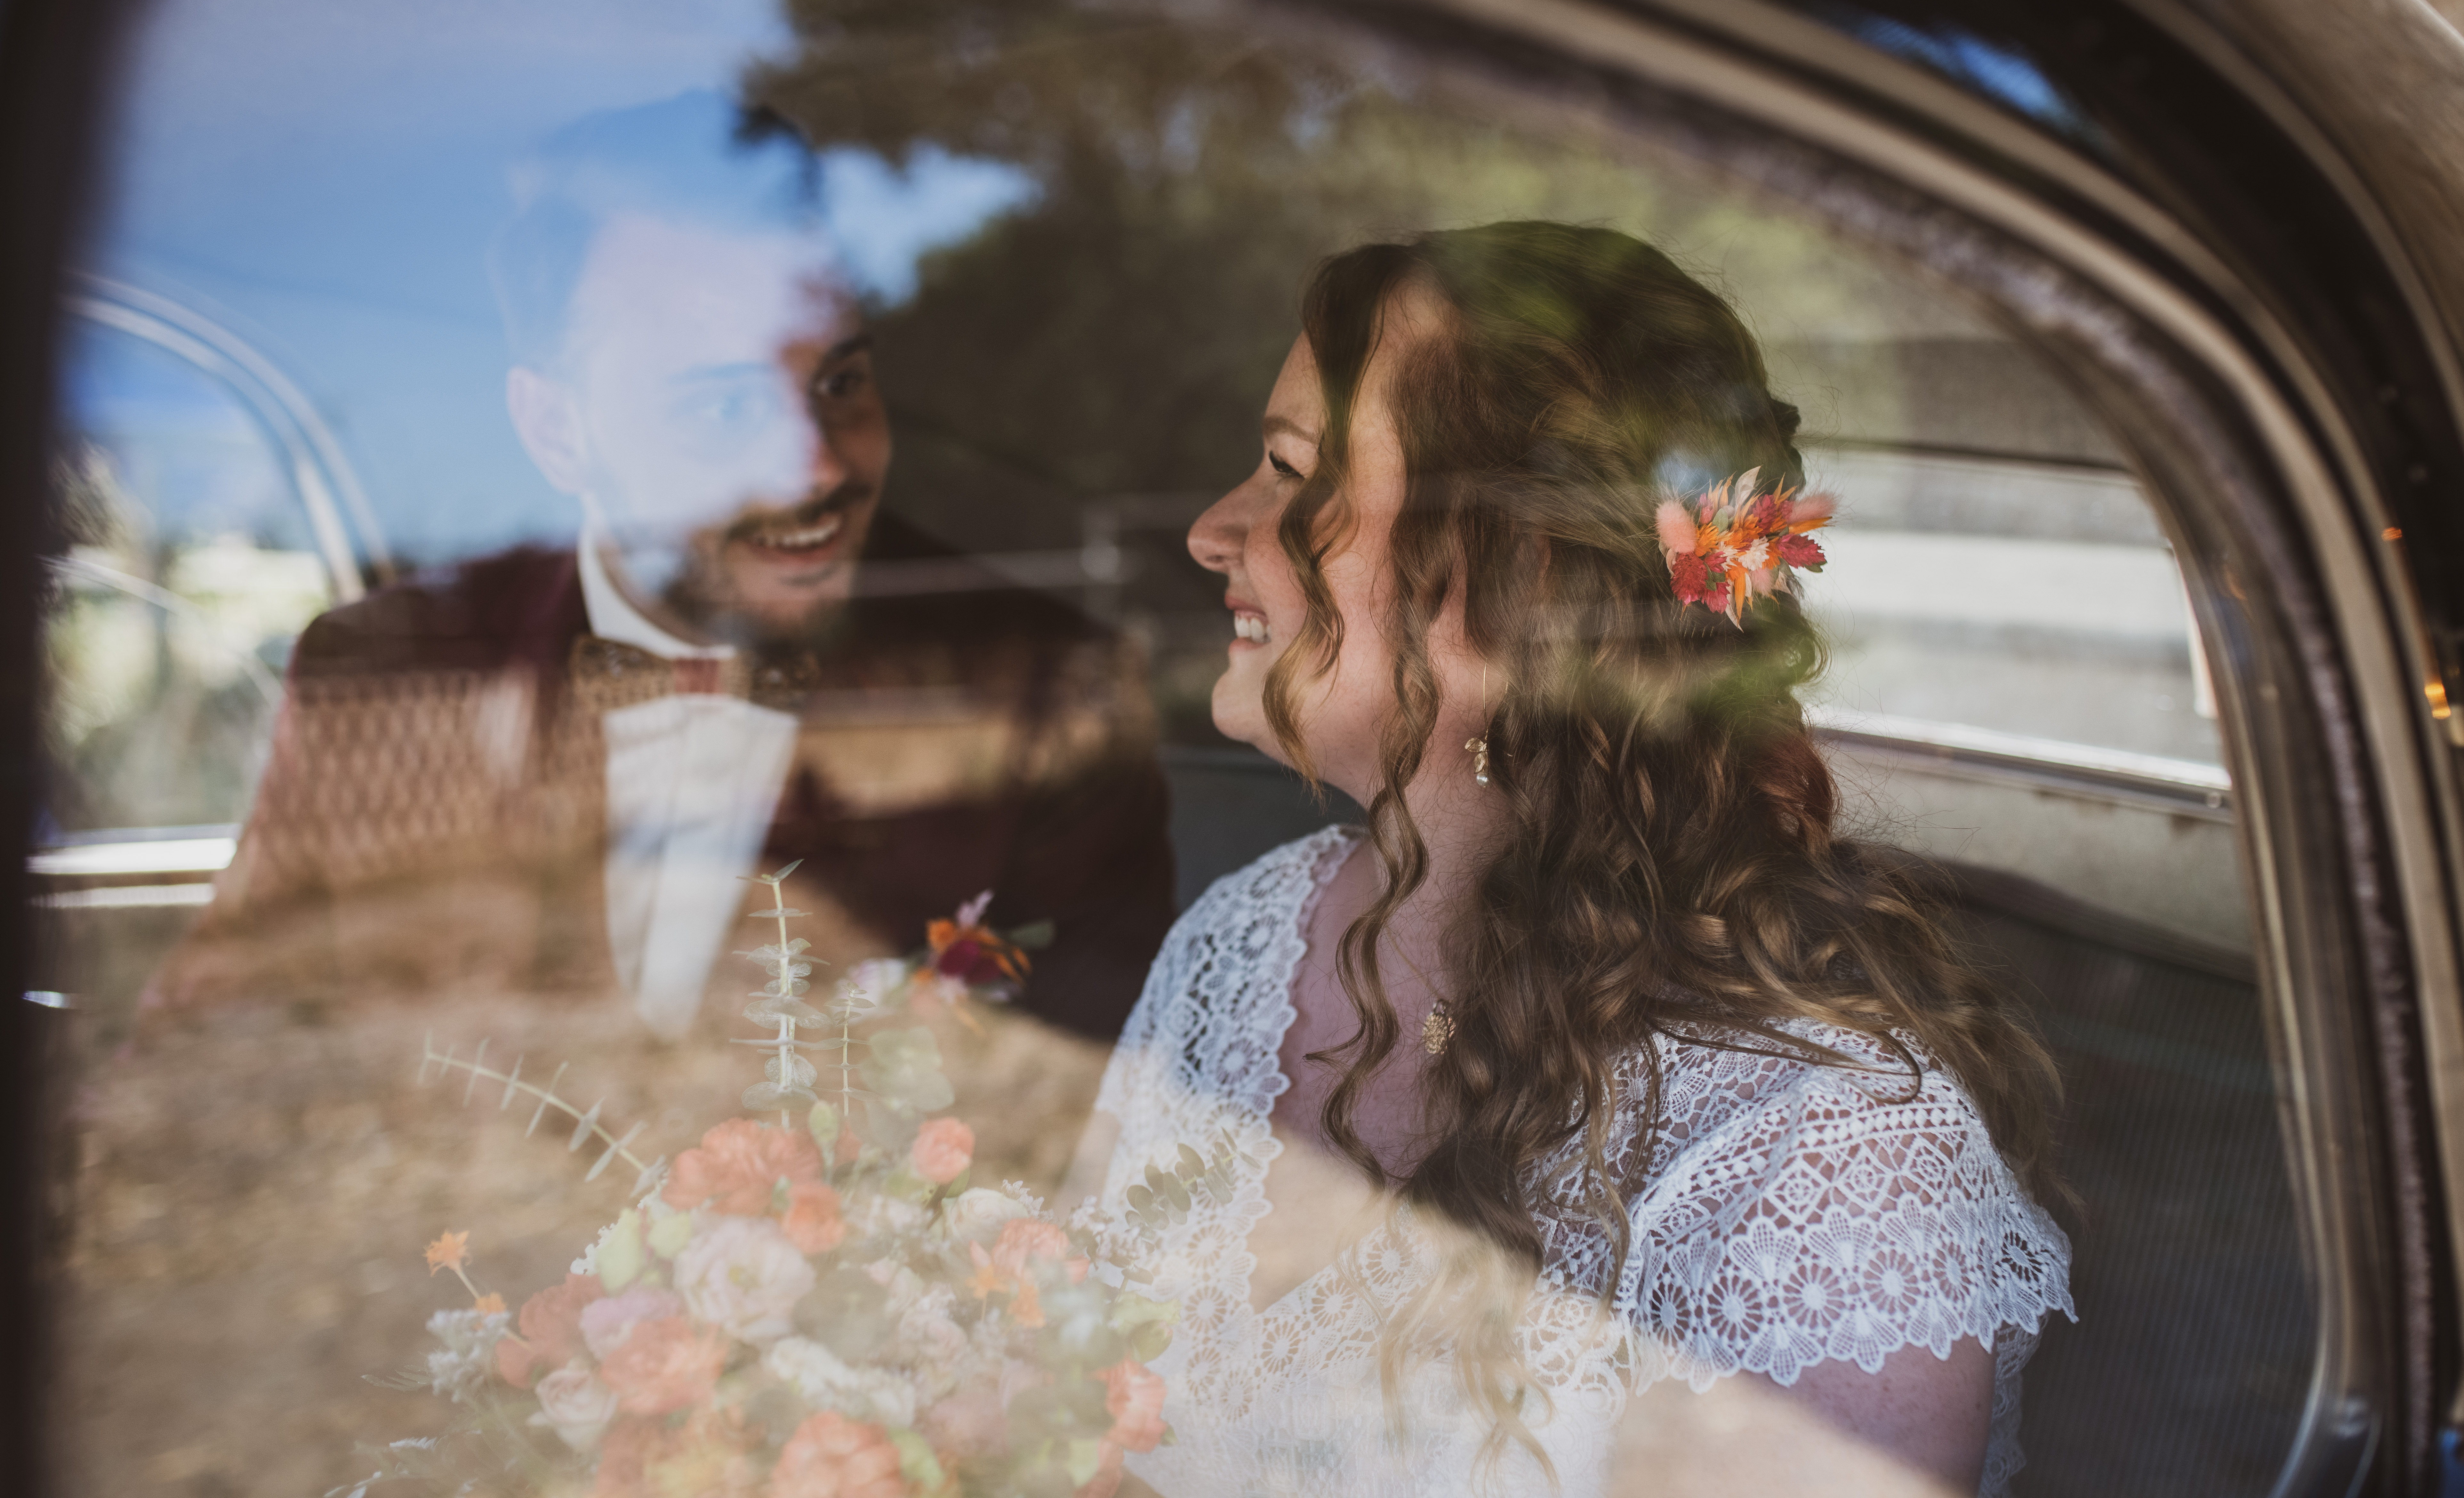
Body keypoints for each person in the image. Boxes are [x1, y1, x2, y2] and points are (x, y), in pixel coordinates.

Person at [1074, 222, 2071, 1496]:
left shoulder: (1824, 1162)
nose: (1216, 530)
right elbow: (1070, 1400)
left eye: (1286, 472)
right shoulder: (1239, 941)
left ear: (1518, 579)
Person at [145, 93, 1176, 1043]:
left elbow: (1100, 1126)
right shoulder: (384, 676)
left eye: (841, 380)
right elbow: (202, 1056)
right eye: (724, 406)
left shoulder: (1047, 695)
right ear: (557, 432)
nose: (817, 465)